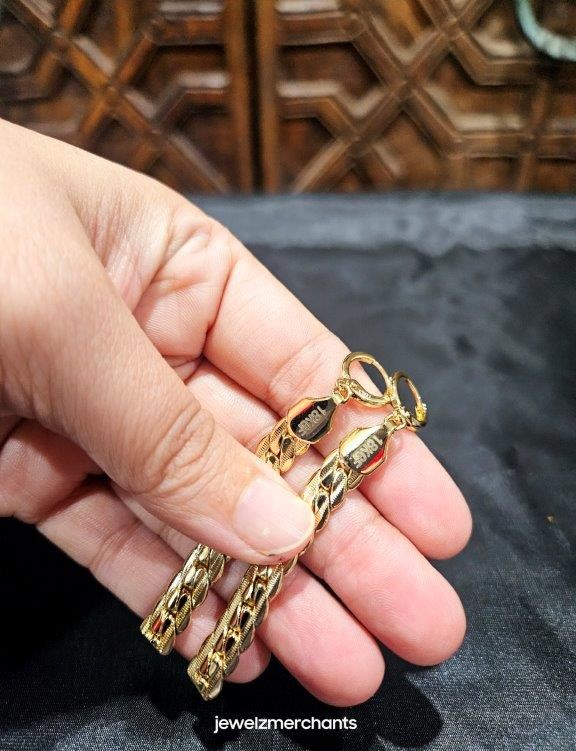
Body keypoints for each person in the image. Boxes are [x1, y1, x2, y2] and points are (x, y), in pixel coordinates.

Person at [0, 119, 472, 705]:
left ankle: (198, 647)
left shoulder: (357, 442)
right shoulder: (324, 412)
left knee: (271, 567)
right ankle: (186, 635)